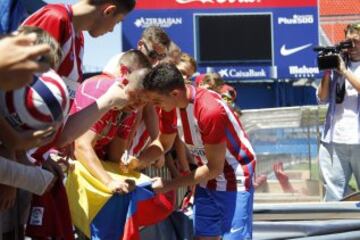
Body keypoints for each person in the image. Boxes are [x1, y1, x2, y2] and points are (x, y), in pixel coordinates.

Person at [127, 63, 256, 240]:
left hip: (234, 176)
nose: (155, 106)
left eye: (157, 101)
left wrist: (167, 185)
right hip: (206, 175)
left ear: (174, 93)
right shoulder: (169, 106)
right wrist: (138, 161)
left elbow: (214, 168)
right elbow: (163, 143)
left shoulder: (209, 110)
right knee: (203, 236)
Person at [22, 0, 136, 99]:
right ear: (108, 11)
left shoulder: (79, 38)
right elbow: (19, 86)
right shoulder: (55, 18)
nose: (111, 30)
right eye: (117, 22)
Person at [71, 50, 151, 192]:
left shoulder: (130, 106)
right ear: (125, 78)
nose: (137, 105)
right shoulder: (100, 89)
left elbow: (115, 157)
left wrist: (127, 172)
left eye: (143, 102)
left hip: (84, 163)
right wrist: (109, 182)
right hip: (63, 161)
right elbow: (81, 146)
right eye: (136, 96)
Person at [317, 22, 360, 201]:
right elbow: (322, 97)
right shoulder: (339, 62)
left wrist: (345, 71)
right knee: (333, 194)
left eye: (357, 41)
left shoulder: (343, 67)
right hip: (334, 140)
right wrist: (328, 72)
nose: (353, 46)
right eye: (349, 41)